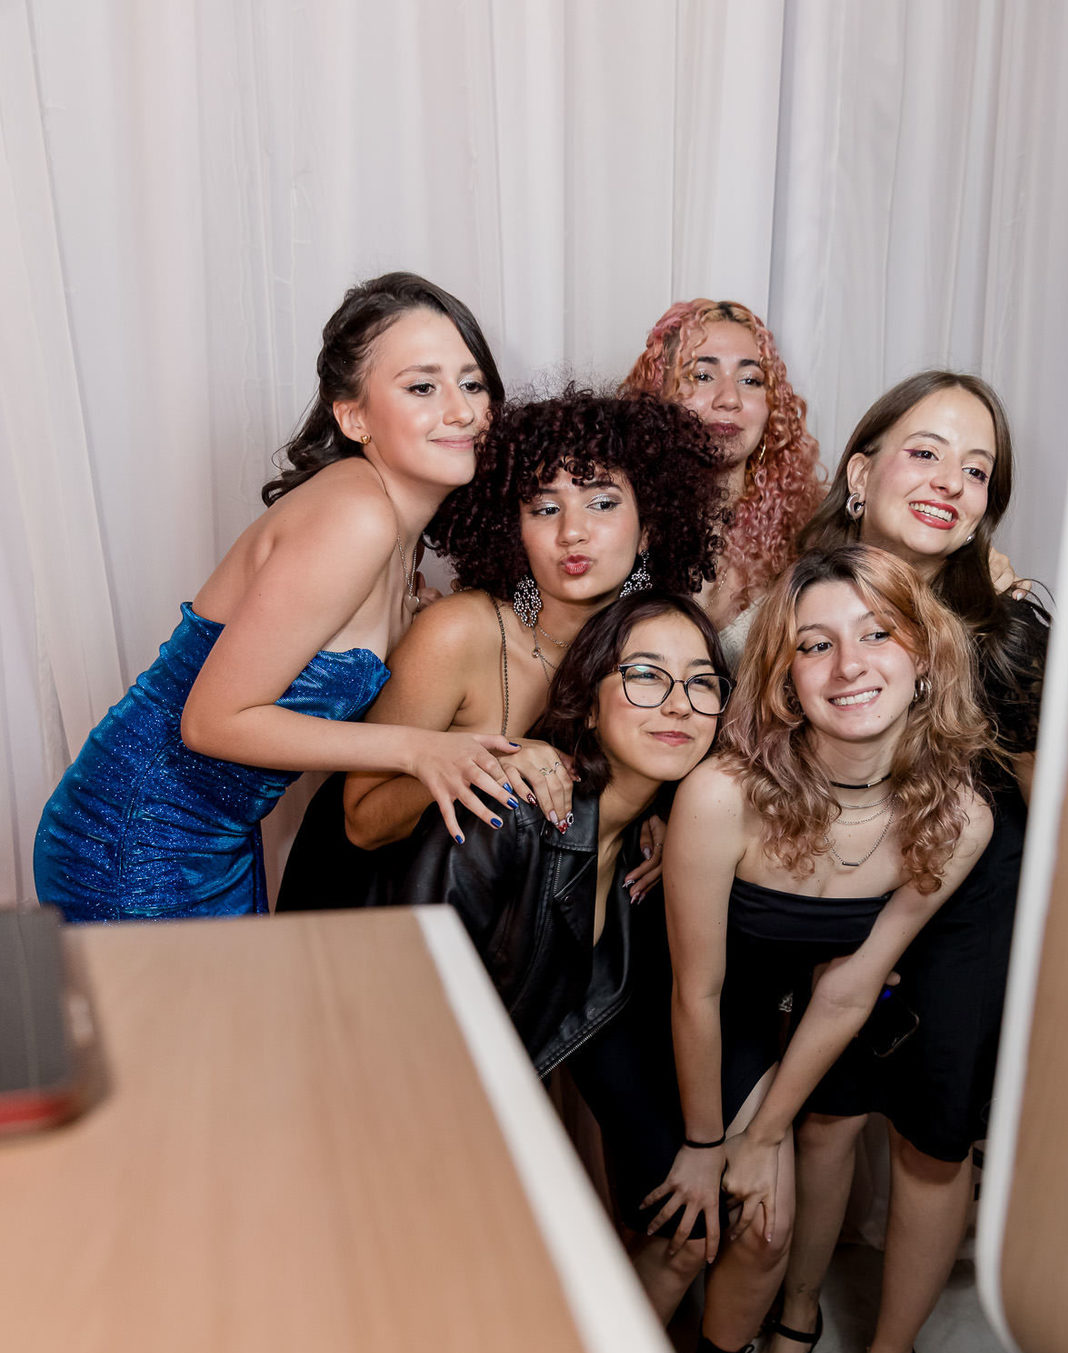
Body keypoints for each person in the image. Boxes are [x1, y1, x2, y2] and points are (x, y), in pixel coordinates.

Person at [745, 370, 1050, 1353]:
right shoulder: (804, 592)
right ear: (862, 470)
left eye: (977, 470)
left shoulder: (1009, 622)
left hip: (972, 895)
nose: (951, 482)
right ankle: (794, 1317)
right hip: (837, 875)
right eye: (927, 452)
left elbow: (1043, 788)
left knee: (930, 1136)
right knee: (826, 1113)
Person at [639, 545, 993, 1353]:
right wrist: (710, 1142)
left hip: (787, 1017)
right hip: (677, 1009)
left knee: (764, 1217)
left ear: (923, 658)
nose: (849, 666)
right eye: (815, 645)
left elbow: (849, 987)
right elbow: (694, 990)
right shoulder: (721, 795)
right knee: (693, 1222)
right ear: (785, 682)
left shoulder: (958, 817)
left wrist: (764, 1136)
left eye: (879, 634)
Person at [34, 272, 519, 922]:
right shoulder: (356, 516)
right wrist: (418, 748)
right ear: (353, 416)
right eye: (422, 387)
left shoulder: (392, 535)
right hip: (136, 837)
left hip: (216, 838)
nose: (461, 411)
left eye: (472, 383)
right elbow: (211, 723)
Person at [275, 387, 722, 910]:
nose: (572, 532)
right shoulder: (460, 633)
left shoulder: (655, 647)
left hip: (506, 919)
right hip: (371, 901)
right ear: (514, 531)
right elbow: (362, 822)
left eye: (602, 504)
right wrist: (489, 762)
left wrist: (661, 814)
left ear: (647, 530)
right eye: (545, 509)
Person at [399, 592, 729, 1074]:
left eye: (701, 682)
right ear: (589, 705)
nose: (680, 705)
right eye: (645, 674)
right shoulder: (509, 814)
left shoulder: (647, 853)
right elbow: (404, 1005)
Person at [622, 298, 823, 666]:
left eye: (751, 380)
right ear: (657, 393)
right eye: (702, 376)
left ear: (773, 408)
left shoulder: (813, 540)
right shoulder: (613, 520)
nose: (729, 399)